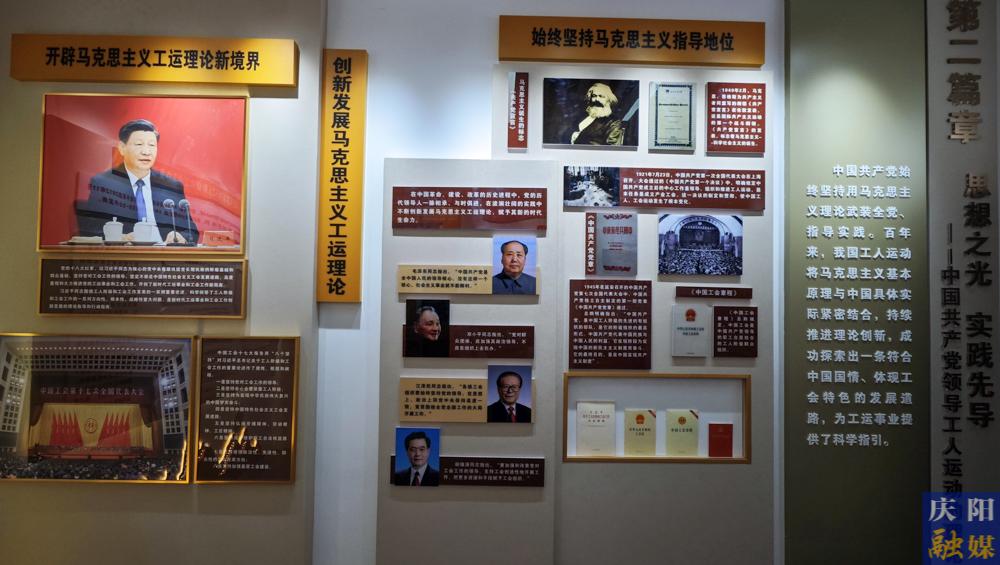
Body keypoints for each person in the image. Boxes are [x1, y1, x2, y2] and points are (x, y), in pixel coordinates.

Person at [76, 119, 199, 244]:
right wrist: (117, 237)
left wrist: (181, 237)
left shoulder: (171, 186)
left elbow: (191, 231)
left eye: (151, 145)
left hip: (164, 253)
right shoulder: (104, 183)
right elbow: (89, 230)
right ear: (122, 148)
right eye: (139, 144)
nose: (146, 152)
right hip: (125, 253)